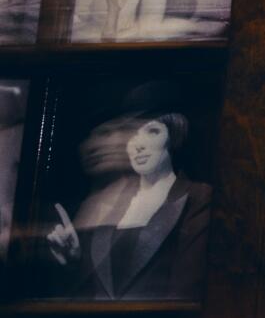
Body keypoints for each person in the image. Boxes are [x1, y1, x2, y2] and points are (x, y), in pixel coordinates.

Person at [46, 99, 210, 299]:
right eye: (133, 135)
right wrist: (74, 261)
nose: (139, 145)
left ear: (174, 136)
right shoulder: (112, 203)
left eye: (152, 131)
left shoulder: (196, 196)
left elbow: (187, 291)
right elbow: (93, 294)